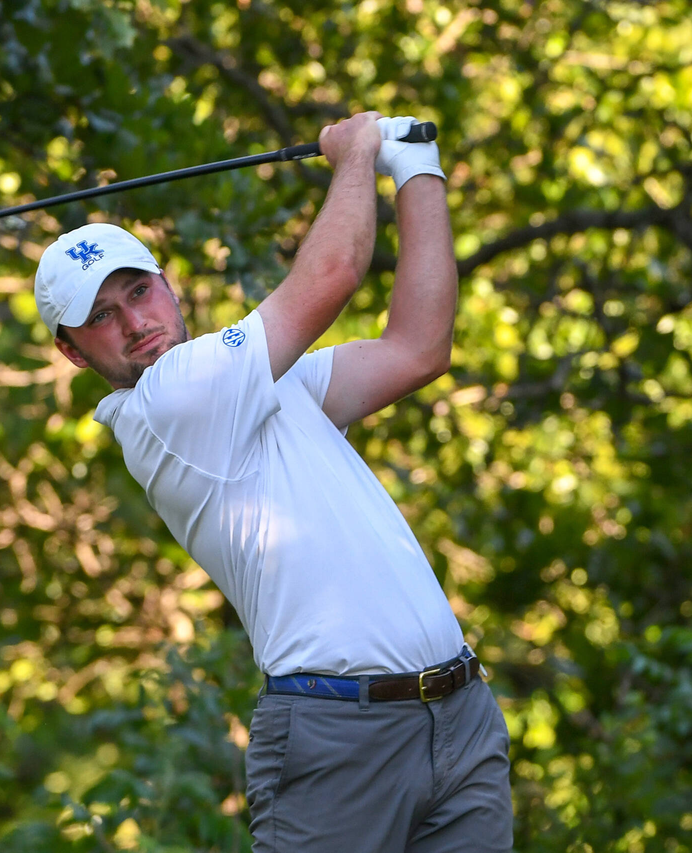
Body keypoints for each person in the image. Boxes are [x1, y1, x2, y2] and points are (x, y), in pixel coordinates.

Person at [34, 111, 512, 853]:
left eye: (137, 291)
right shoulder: (168, 402)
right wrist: (355, 155)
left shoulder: (260, 384)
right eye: (100, 316)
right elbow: (333, 274)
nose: (133, 322)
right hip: (340, 734)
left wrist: (417, 165)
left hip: (459, 715)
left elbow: (419, 348)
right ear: (72, 352)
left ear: (167, 284)